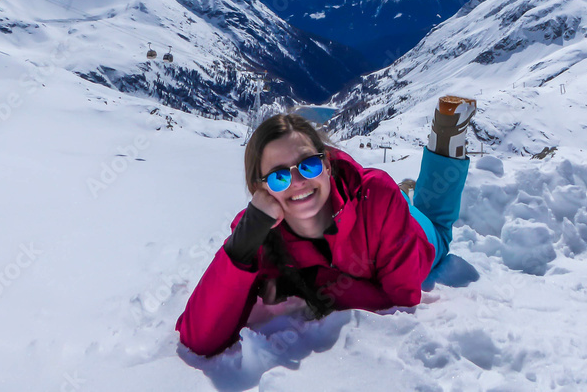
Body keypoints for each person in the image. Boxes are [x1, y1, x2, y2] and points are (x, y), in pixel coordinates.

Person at [175, 95, 475, 357]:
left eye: (309, 165)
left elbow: (399, 301)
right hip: (380, 212)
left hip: (404, 226)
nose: (298, 181)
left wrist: (320, 283)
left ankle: (446, 139)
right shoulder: (256, 229)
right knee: (406, 201)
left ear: (328, 165)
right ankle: (406, 192)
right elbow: (198, 338)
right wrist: (241, 245)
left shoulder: (377, 195)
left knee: (436, 225)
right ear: (261, 189)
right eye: (279, 176)